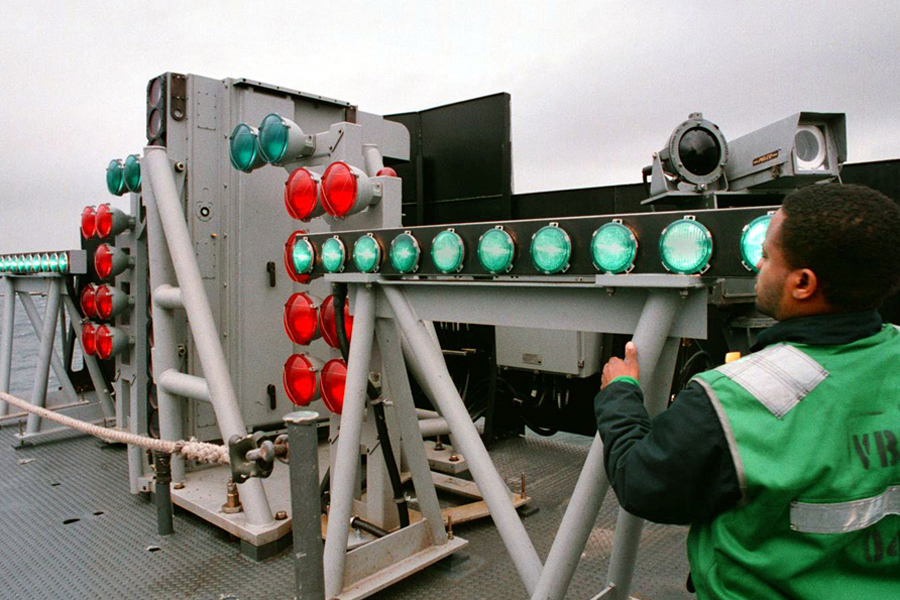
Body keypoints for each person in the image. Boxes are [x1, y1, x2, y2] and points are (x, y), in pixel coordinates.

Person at [595, 183, 900, 599]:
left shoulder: (734, 399)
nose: (757, 263)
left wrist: (620, 393)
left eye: (768, 255)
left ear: (803, 283)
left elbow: (642, 481)